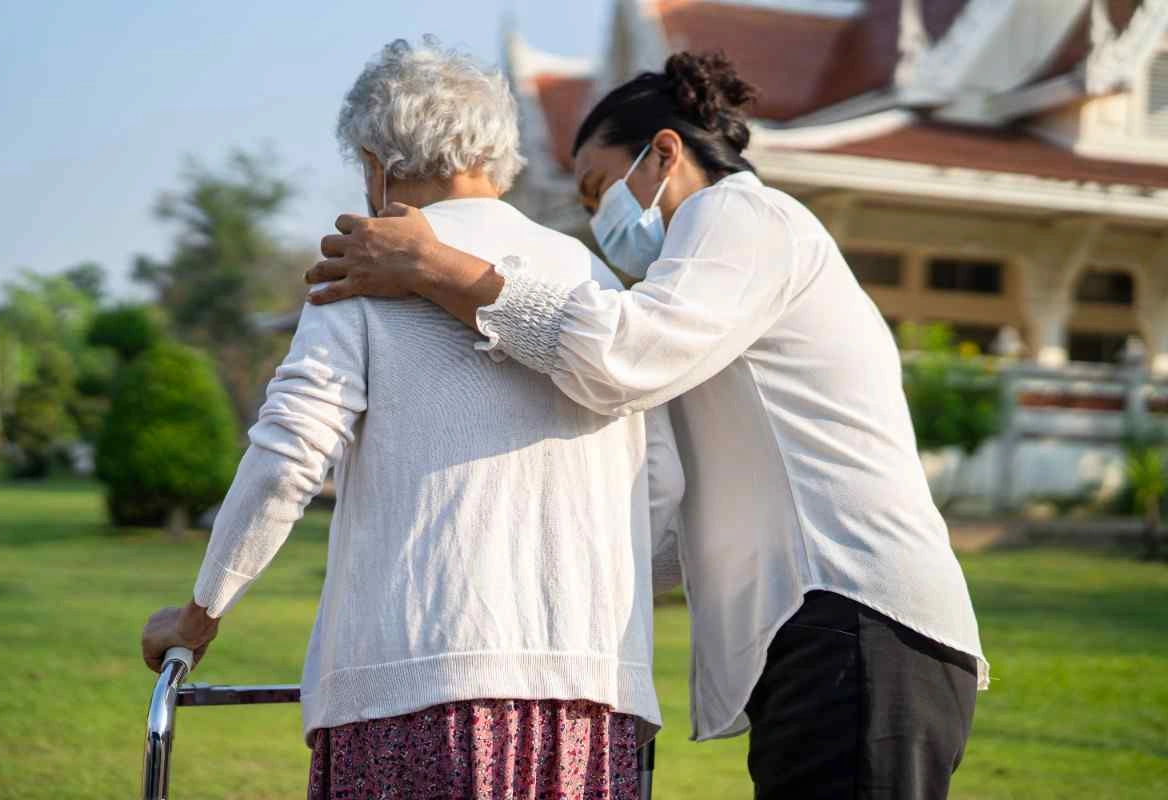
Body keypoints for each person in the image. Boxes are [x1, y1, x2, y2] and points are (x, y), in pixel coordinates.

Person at [306, 50, 989, 799]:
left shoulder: (742, 215)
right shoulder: (702, 292)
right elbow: (664, 503)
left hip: (858, 616)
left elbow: (620, 357)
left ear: (664, 152)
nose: (599, 223)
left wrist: (437, 267)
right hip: (824, 633)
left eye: (598, 188)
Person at [140, 38, 685, 800]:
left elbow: (288, 457)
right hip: (591, 704)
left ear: (376, 167)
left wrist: (199, 615)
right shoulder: (595, 278)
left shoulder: (365, 268)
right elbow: (663, 483)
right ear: (497, 154)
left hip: (418, 687)